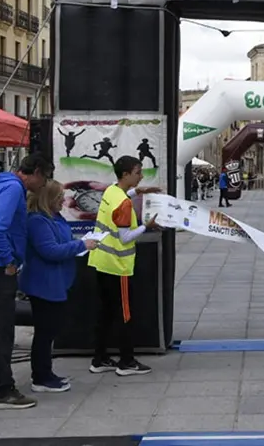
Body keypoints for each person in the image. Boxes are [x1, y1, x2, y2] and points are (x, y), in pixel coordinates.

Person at [0, 153, 53, 410]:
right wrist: (9, 259)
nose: (43, 185)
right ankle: (2, 390)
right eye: (45, 179)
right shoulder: (12, 189)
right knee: (0, 329)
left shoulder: (0, 185)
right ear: (36, 172)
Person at [20, 180, 98, 393]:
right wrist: (81, 245)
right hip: (44, 284)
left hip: (57, 282)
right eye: (59, 198)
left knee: (50, 330)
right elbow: (51, 251)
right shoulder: (37, 221)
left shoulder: (55, 217)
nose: (64, 201)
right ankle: (40, 377)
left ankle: (47, 372)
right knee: (45, 332)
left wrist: (79, 243)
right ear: (47, 199)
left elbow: (63, 242)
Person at [87, 156, 162, 376]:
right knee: (125, 314)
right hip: (118, 265)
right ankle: (126, 361)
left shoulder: (112, 191)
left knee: (106, 313)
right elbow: (126, 236)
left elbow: (122, 197)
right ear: (126, 174)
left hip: (101, 260)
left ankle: (99, 359)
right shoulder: (123, 203)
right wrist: (146, 226)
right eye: (138, 172)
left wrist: (138, 191)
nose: (141, 176)